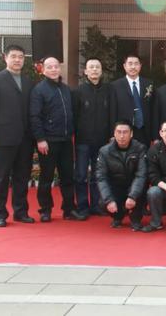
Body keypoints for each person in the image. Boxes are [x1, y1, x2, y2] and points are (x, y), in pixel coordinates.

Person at [0, 44, 35, 227]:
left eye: (21, 57)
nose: (17, 60)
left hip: (25, 139)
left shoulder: (28, 82)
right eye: (13, 56)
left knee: (22, 177)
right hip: (3, 138)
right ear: (5, 58)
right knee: (1, 177)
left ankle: (20, 212)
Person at [29, 57, 86, 222]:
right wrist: (40, 139)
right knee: (46, 177)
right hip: (48, 141)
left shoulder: (66, 89)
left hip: (66, 140)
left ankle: (69, 209)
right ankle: (45, 210)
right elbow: (34, 116)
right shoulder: (39, 90)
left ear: (60, 69)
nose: (53, 69)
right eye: (49, 67)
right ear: (43, 70)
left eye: (56, 66)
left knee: (68, 176)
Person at [72, 57, 111, 216]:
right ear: (86, 71)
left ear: (101, 71)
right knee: (81, 175)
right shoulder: (78, 92)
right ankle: (82, 206)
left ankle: (96, 205)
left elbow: (112, 115)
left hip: (102, 141)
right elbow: (74, 116)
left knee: (97, 175)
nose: (94, 70)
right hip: (82, 141)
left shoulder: (109, 90)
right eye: (91, 67)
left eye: (97, 67)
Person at [95, 120, 148, 230]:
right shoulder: (104, 151)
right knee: (103, 202)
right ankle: (117, 216)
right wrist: (109, 200)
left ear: (131, 134)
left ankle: (135, 218)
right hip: (116, 188)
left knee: (142, 189)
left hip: (133, 187)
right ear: (114, 134)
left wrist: (133, 196)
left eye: (125, 132)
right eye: (119, 132)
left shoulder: (140, 148)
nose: (122, 136)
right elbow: (101, 178)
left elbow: (141, 175)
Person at [110, 54, 154, 145]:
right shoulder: (115, 86)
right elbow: (113, 111)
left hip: (144, 130)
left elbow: (153, 109)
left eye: (136, 64)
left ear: (140, 66)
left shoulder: (149, 84)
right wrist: (112, 133)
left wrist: (154, 135)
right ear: (124, 66)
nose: (133, 67)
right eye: (130, 64)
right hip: (124, 131)